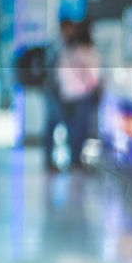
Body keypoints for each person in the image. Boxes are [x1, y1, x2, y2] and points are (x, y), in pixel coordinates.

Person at [57, 19, 101, 171]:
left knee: (76, 129)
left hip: (70, 94)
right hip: (80, 94)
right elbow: (91, 74)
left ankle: (75, 159)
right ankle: (75, 160)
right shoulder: (83, 51)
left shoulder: (69, 50)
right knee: (79, 129)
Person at [41, 19, 75, 173]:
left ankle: (52, 160)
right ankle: (49, 160)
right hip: (54, 92)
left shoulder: (63, 45)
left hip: (59, 92)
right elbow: (52, 72)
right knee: (53, 124)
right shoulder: (57, 46)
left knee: (56, 124)